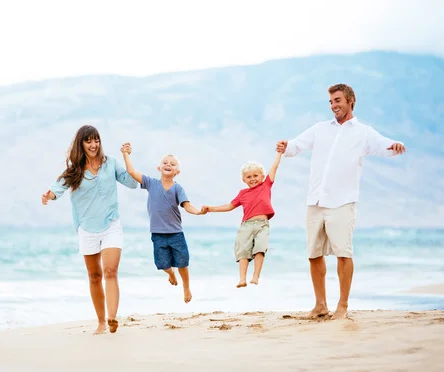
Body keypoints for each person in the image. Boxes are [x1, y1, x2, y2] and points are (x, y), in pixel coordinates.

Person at [276, 83, 406, 320]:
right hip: (315, 200)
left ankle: (342, 306)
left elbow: (383, 145)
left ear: (350, 100)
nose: (334, 105)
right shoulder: (320, 129)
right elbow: (296, 145)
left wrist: (394, 146)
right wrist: (286, 146)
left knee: (343, 254)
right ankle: (320, 305)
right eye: (331, 102)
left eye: (337, 100)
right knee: (314, 254)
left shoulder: (363, 132)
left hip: (343, 201)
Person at [41, 125, 139, 334]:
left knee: (110, 271)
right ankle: (101, 322)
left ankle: (112, 318)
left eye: (96, 140)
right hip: (86, 228)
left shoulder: (110, 163)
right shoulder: (74, 171)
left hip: (111, 224)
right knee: (94, 276)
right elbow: (56, 189)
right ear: (81, 144)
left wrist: (126, 156)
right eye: (89, 141)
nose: (94, 145)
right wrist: (48, 196)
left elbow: (132, 183)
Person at [121, 142, 205, 303]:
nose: (168, 165)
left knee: (182, 263)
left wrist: (198, 212)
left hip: (176, 233)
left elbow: (187, 205)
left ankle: (186, 287)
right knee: (162, 264)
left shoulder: (178, 189)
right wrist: (126, 154)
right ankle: (170, 274)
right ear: (159, 168)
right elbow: (131, 171)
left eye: (172, 164)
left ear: (177, 171)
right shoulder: (151, 183)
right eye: (165, 163)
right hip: (157, 234)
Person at [201, 152, 282, 288]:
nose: (252, 179)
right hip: (246, 226)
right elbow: (229, 206)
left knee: (260, 249)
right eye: (248, 177)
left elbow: (274, 167)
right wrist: (210, 208)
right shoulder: (242, 194)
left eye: (255, 176)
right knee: (243, 251)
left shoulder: (266, 185)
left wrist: (279, 154)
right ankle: (242, 279)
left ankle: (255, 276)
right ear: (244, 180)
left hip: (262, 225)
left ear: (262, 177)